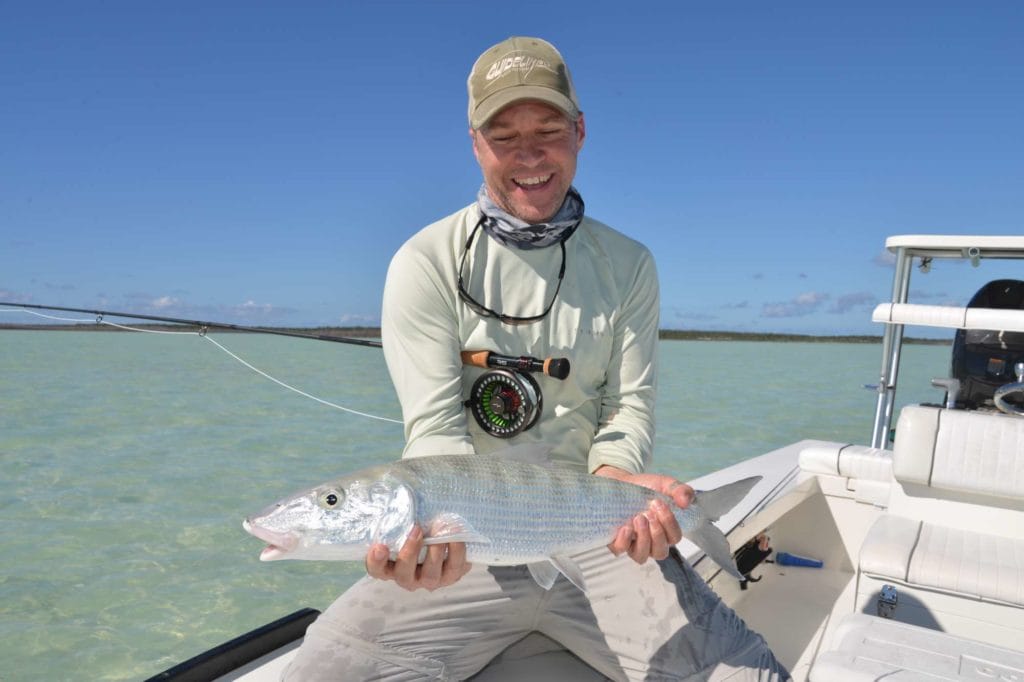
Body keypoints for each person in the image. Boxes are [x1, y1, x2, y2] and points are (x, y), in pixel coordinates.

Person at [284, 36, 788, 681]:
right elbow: (434, 431)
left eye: (549, 130)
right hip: (466, 537)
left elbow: (628, 406)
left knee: (749, 676)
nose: (529, 156)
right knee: (318, 674)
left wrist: (622, 483)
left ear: (579, 133)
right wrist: (433, 543)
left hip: (601, 530)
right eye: (504, 136)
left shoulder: (628, 264)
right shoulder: (424, 262)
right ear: (475, 143)